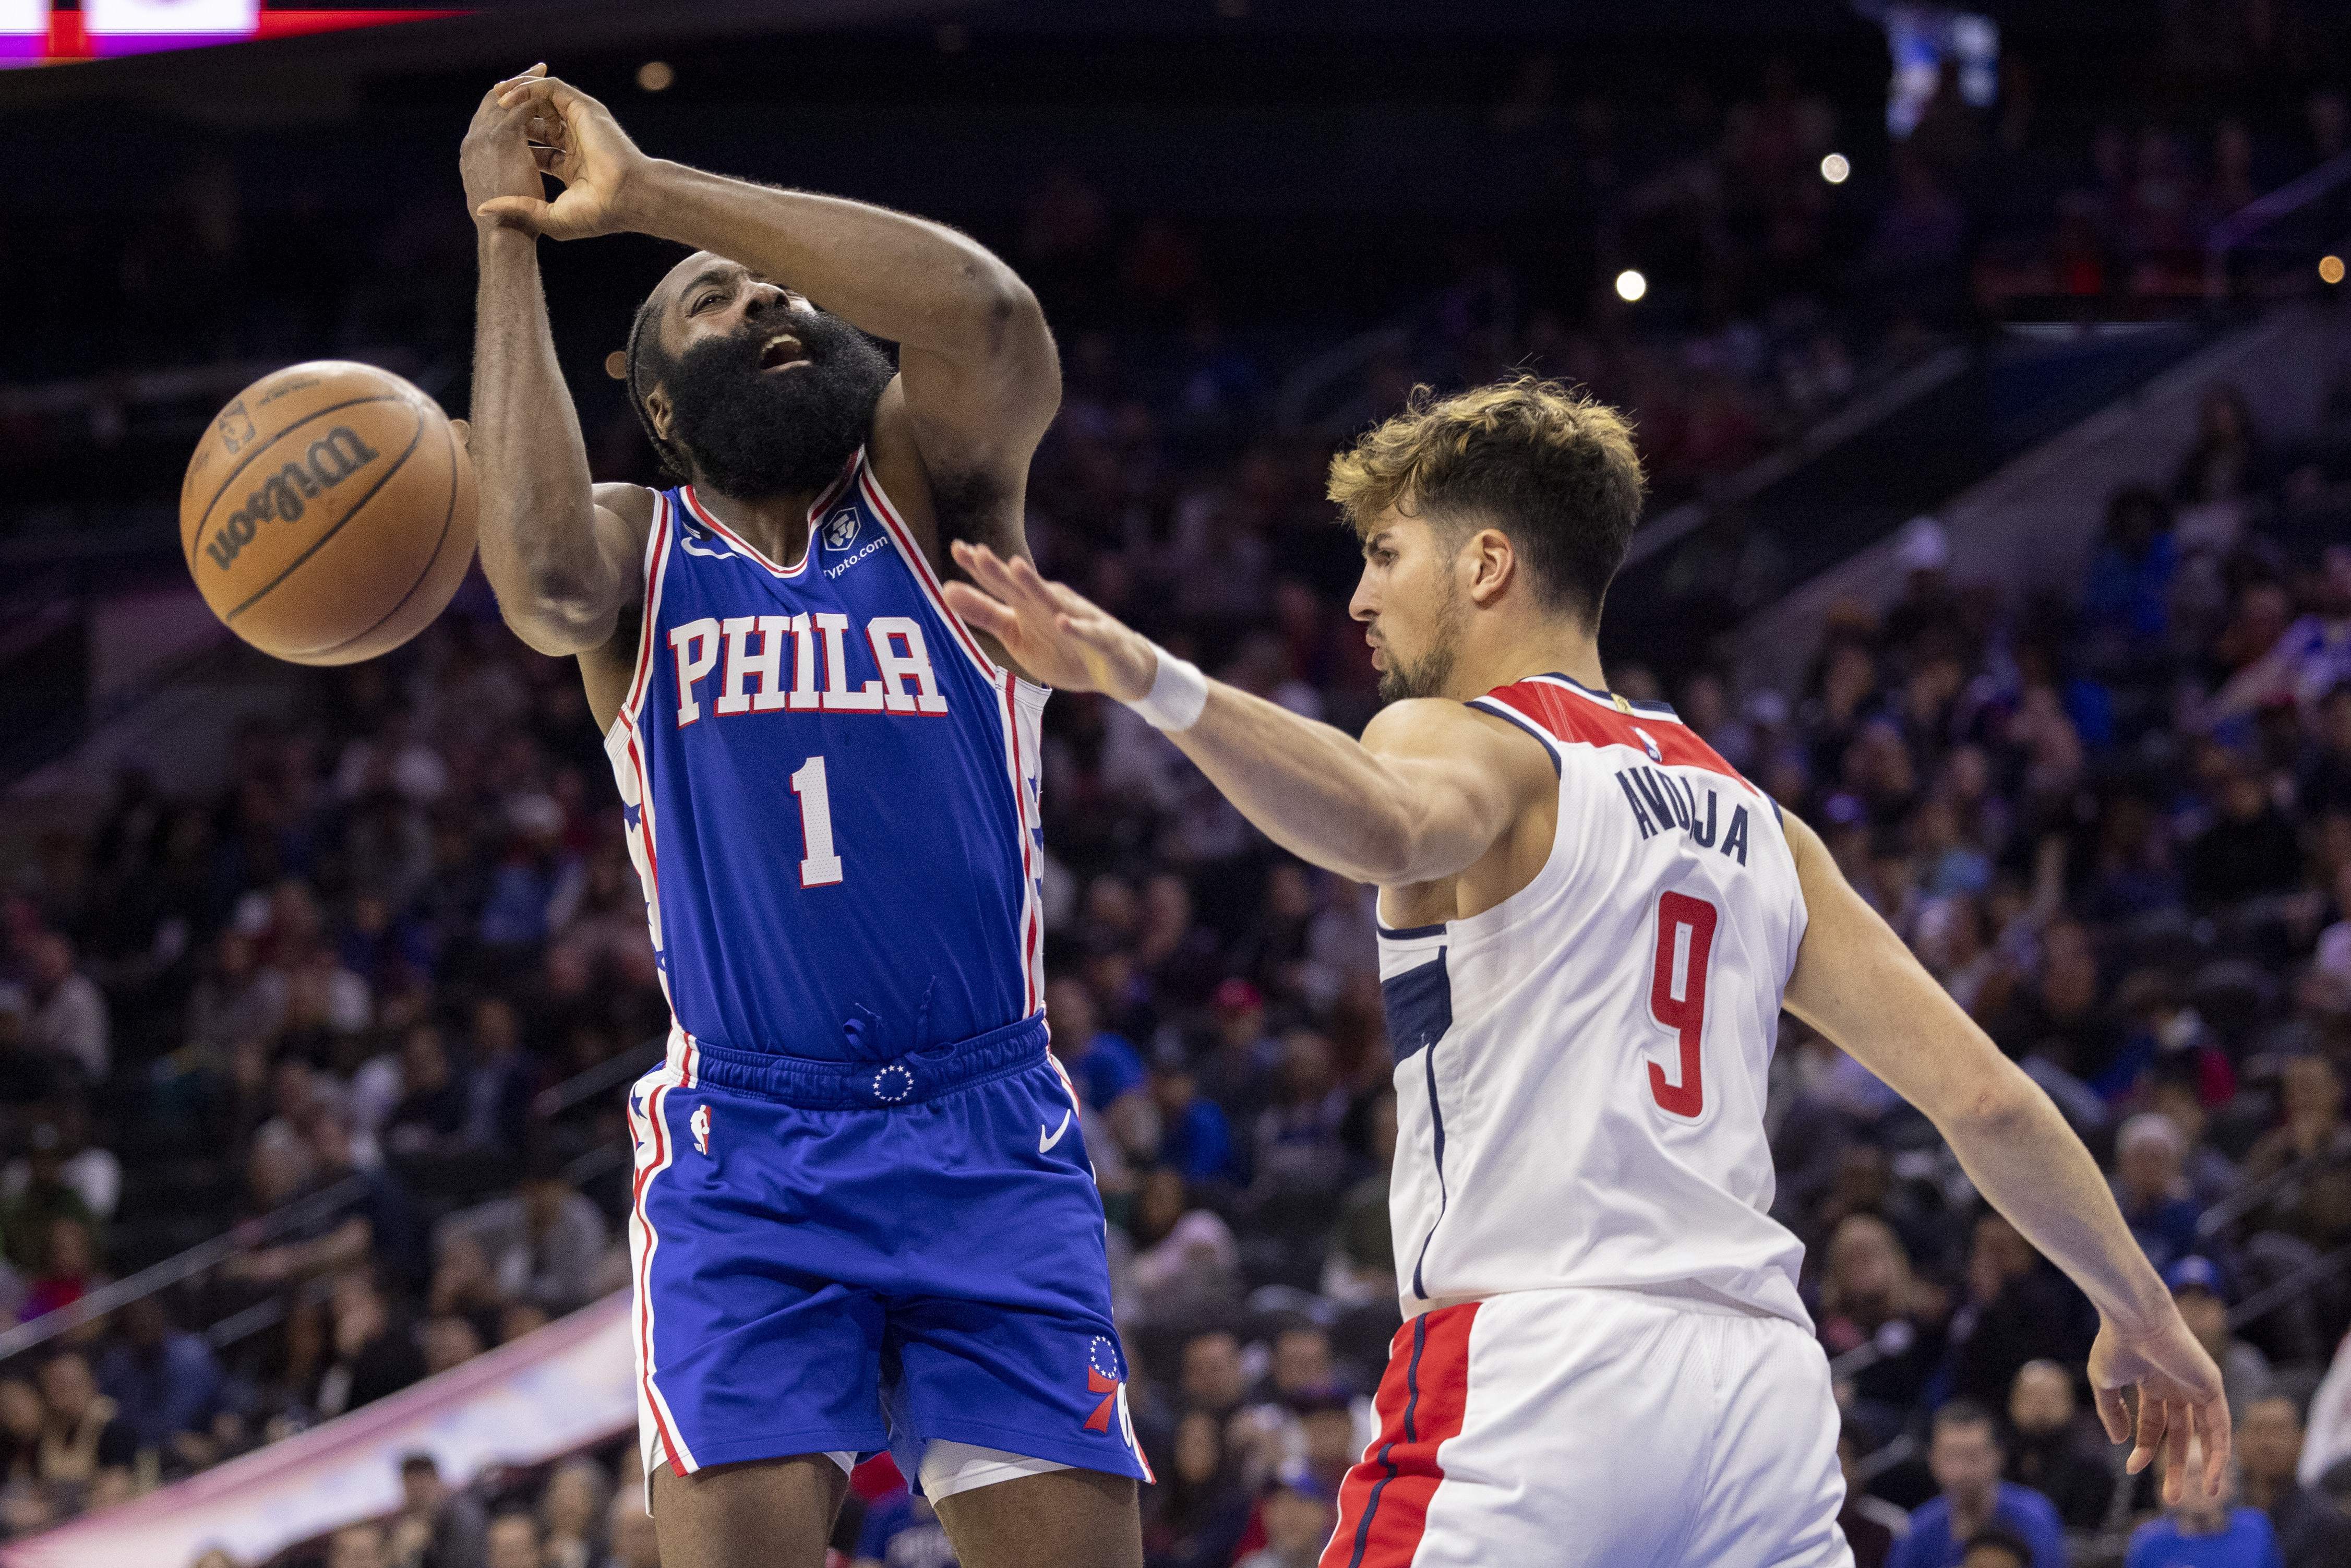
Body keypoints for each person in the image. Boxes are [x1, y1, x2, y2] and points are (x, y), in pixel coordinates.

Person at [945, 373, 2231, 1565]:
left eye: (1386, 556)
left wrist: (1148, 680)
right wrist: (2138, 1307)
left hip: (1536, 1368)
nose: (1358, 598)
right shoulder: (1763, 825)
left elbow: (1385, 823)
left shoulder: (1475, 741)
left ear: (1486, 562)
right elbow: (1986, 1100)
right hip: (1760, 1404)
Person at [461, 62, 1146, 1568]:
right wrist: (507, 235)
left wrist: (647, 201)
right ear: (650, 404)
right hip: (747, 1144)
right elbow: (532, 581)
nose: (770, 305)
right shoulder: (636, 552)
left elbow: (989, 321)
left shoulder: (933, 490)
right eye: (712, 303)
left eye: (787, 295)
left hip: (987, 1128)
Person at [1888, 1403, 2065, 1568]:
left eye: (1973, 1456)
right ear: (1933, 1460)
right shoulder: (1917, 1530)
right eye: (1951, 1457)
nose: (1962, 1470)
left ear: (1998, 1455)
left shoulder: (2036, 1517)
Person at [2124, 1433, 2282, 1568]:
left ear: (2231, 1481)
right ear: (2164, 1487)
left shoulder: (2257, 1529)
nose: (2199, 1483)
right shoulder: (2149, 1543)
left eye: (2208, 1472)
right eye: (2188, 1474)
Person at [2238, 1395, 2351, 1568]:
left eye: (2279, 1431)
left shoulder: (2328, 1522)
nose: (2267, 1444)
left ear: (2302, 1439)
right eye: (2257, 1430)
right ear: (2237, 1440)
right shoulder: (2219, 1515)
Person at [2005, 1359, 2116, 1533]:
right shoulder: (1996, 1463)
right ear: (2012, 1404)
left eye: (2052, 1398)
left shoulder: (2092, 1471)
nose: (2041, 1407)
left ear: (2071, 1404)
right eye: (2031, 1397)